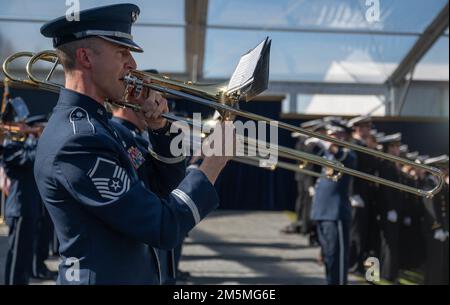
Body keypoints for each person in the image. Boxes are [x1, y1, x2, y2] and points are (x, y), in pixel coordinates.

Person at [34, 4, 233, 285]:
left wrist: (160, 129)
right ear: (86, 57)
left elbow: (162, 191)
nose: (133, 65)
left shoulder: (97, 126)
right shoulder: (79, 140)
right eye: (122, 52)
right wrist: (210, 165)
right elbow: (163, 227)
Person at [110, 104, 185, 285]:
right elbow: (157, 186)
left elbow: (167, 182)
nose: (155, 103)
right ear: (128, 101)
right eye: (148, 97)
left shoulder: (130, 135)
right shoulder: (121, 134)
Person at [1, 100, 42, 284]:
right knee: (17, 257)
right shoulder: (9, 147)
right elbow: (31, 158)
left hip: (27, 207)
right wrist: (41, 138)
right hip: (19, 208)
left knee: (24, 256)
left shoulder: (20, 144)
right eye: (21, 124)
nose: (25, 127)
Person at [310, 121, 357, 285]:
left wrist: (328, 146)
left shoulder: (348, 155)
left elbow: (344, 158)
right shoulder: (326, 155)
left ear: (343, 136)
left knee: (338, 258)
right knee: (328, 257)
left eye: (335, 135)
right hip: (321, 212)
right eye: (330, 135)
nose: (330, 137)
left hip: (336, 213)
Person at [376, 133, 403, 282]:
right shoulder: (386, 164)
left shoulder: (392, 164)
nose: (398, 150)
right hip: (388, 210)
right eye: (396, 146)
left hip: (392, 210)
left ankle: (389, 272)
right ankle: (388, 274)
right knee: (389, 243)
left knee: (392, 243)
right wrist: (390, 208)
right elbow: (387, 189)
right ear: (389, 148)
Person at [422, 155, 449, 284]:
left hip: (442, 228)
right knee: (434, 258)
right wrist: (437, 227)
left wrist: (445, 228)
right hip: (433, 228)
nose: (444, 172)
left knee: (440, 259)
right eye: (441, 168)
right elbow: (430, 208)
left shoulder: (439, 184)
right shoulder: (429, 184)